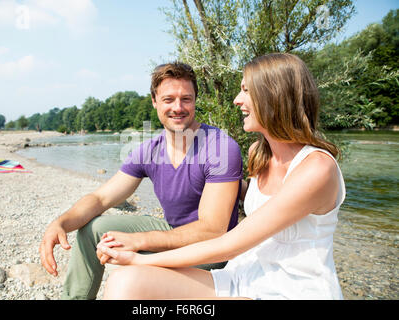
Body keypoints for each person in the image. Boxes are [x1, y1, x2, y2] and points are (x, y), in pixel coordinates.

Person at [97, 53, 346, 300]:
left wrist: (138, 258)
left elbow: (229, 244)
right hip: (244, 276)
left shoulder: (317, 168)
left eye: (247, 91)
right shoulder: (259, 154)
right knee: (124, 282)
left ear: (274, 95)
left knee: (136, 273)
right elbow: (265, 202)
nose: (237, 100)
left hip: (292, 290)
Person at [39, 62, 243, 300]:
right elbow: (101, 197)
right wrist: (60, 223)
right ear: (154, 101)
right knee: (91, 230)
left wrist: (137, 241)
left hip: (211, 255)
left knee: (126, 271)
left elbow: (212, 230)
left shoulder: (220, 147)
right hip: (172, 234)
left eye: (186, 99)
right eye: (168, 99)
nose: (178, 107)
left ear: (195, 100)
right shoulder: (149, 150)